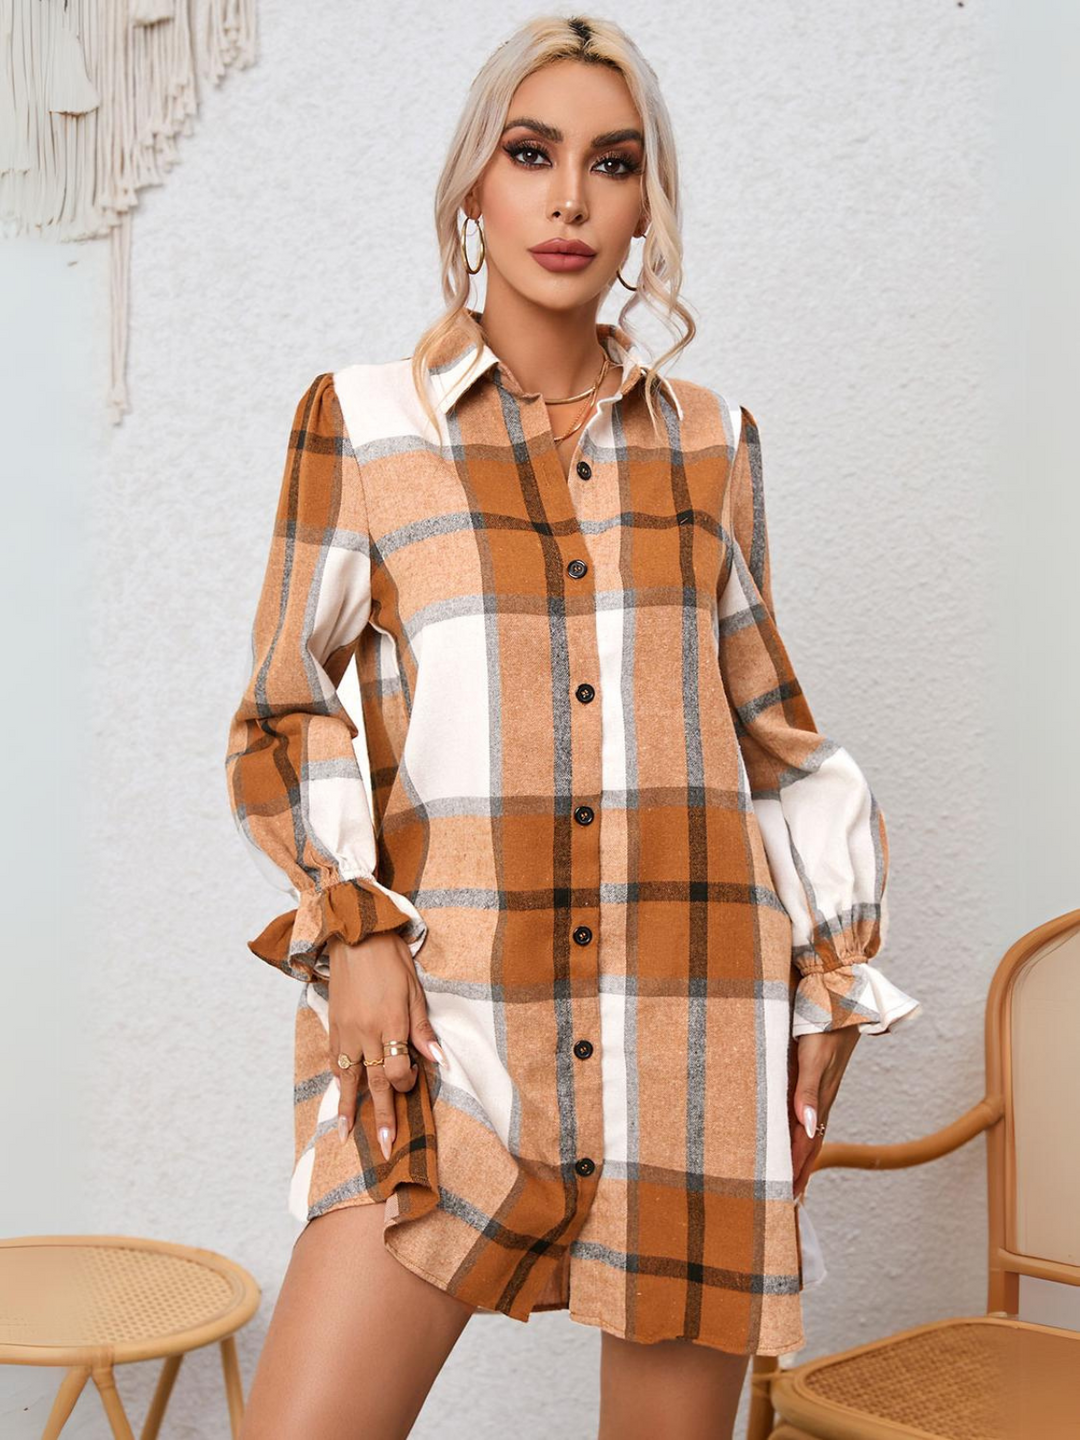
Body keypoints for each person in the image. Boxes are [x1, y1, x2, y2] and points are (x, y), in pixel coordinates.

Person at [223, 14, 922, 1439]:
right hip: (448, 1029)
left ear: (646, 204)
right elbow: (285, 706)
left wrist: (831, 981)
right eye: (531, 154)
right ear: (473, 185)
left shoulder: (715, 441)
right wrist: (355, 934)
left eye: (612, 164)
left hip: (691, 1035)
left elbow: (777, 740)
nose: (569, 200)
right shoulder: (365, 424)